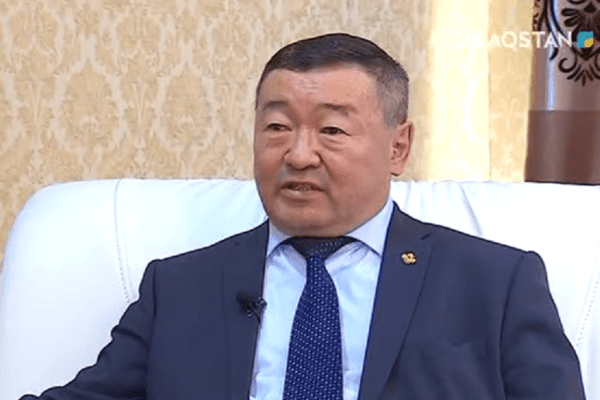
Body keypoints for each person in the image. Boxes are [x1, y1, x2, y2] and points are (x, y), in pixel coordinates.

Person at [21, 33, 585, 400]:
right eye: (276, 127)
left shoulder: (495, 282)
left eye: (331, 130)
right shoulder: (178, 287)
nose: (298, 154)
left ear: (398, 147)